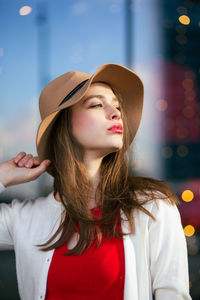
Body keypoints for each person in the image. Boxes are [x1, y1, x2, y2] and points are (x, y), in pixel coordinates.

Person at [0, 63, 191, 300]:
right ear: (64, 124)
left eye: (117, 105)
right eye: (97, 104)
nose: (116, 112)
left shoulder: (153, 207)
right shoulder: (23, 219)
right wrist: (2, 177)